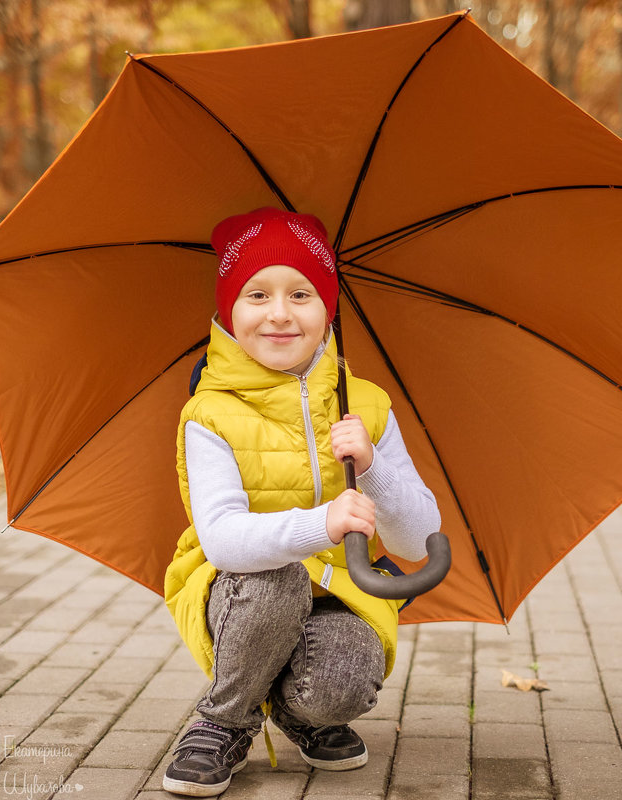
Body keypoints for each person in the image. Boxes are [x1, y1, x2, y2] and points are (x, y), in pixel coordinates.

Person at [162, 206, 440, 797]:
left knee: (340, 685)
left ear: (328, 308)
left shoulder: (365, 404)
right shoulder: (209, 413)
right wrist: (323, 523)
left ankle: (296, 711)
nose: (280, 313)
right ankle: (225, 719)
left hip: (335, 592)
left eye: (302, 294)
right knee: (278, 581)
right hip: (241, 591)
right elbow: (223, 538)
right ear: (230, 312)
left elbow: (418, 539)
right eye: (257, 295)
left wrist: (374, 468)